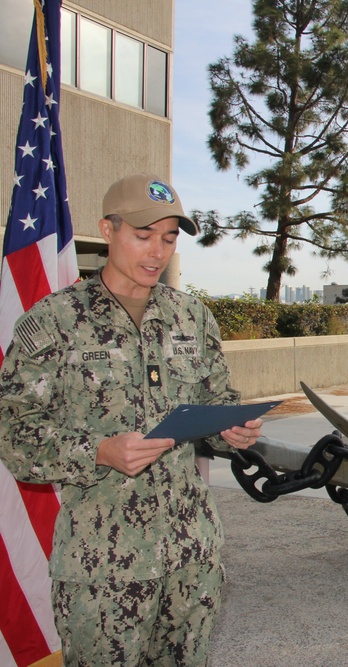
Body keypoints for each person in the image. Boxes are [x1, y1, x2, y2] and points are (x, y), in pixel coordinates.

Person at [0, 173, 262, 666]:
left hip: (191, 555)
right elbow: (13, 432)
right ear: (107, 229)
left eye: (168, 239)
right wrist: (98, 451)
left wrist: (234, 432)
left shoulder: (192, 316)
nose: (157, 251)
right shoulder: (55, 320)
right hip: (102, 567)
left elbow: (218, 399)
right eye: (143, 236)